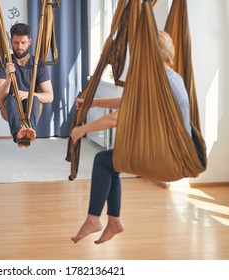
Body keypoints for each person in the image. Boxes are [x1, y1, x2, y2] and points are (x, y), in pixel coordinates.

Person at [70, 30, 192, 244]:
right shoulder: (170, 77)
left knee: (102, 161)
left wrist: (81, 130)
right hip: (175, 151)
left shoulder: (158, 84)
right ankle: (114, 221)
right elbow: (128, 99)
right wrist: (93, 102)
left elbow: (115, 119)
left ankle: (93, 220)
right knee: (112, 163)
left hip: (170, 158)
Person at [0, 23, 54, 147]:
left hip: (31, 105)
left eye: (23, 43)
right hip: (11, 107)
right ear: (11, 41)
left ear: (30, 42)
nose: (19, 47)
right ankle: (18, 135)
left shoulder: (38, 64)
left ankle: (29, 131)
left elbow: (49, 96)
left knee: (35, 99)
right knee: (10, 98)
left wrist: (28, 94)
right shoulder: (3, 63)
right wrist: (9, 78)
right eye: (15, 43)